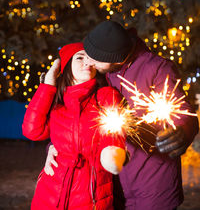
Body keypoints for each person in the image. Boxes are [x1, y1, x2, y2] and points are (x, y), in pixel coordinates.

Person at [45, 21, 199, 210]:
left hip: (153, 187)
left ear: (117, 60)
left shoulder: (157, 68)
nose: (89, 62)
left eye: (95, 59)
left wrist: (183, 130)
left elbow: (180, 110)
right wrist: (55, 145)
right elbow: (78, 111)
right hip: (112, 186)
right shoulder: (102, 69)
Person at [22, 42, 126, 210]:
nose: (87, 62)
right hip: (50, 194)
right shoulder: (57, 102)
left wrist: (112, 152)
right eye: (79, 57)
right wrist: (48, 85)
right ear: (66, 65)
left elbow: (114, 131)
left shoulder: (105, 95)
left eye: (90, 59)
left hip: (90, 196)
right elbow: (32, 131)